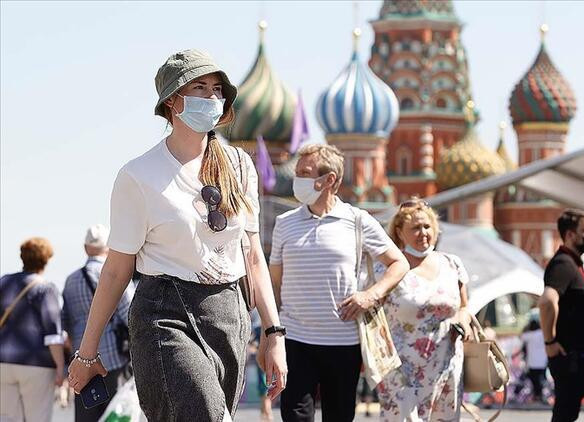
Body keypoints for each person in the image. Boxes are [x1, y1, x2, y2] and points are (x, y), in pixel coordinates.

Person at [66, 49, 287, 421]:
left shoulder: (239, 165)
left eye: (218, 89)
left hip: (229, 313)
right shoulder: (138, 176)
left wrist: (273, 332)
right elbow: (117, 271)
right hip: (164, 314)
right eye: (199, 87)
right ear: (172, 100)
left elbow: (251, 255)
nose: (212, 97)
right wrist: (87, 354)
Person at [269, 143, 409, 422]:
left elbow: (399, 263)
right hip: (296, 339)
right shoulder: (284, 223)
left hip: (343, 342)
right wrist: (270, 336)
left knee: (340, 416)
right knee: (294, 417)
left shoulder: (357, 221)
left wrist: (371, 295)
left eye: (304, 172)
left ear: (328, 180)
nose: (296, 179)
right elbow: (274, 284)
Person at [376, 199, 473, 421]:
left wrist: (463, 320)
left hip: (446, 365)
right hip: (400, 371)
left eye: (427, 227)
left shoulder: (452, 264)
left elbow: (465, 306)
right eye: (415, 228)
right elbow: (372, 316)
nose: (423, 233)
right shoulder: (387, 269)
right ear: (400, 232)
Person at [538, 209, 584, 422]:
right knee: (565, 413)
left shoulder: (572, 263)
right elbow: (548, 300)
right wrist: (550, 342)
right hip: (570, 356)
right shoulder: (563, 264)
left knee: (567, 413)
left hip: (577, 355)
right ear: (569, 234)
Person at [62, 224, 132, 422]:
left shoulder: (71, 280)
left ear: (86, 248)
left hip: (81, 362)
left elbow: (65, 321)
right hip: (114, 360)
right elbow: (129, 313)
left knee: (87, 416)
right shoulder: (115, 275)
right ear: (109, 247)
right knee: (115, 416)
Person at [0, 237, 66, 422]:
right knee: (38, 418)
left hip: (3, 362)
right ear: (46, 260)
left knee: (7, 419)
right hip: (36, 364)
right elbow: (53, 334)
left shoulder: (4, 282)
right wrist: (60, 367)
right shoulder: (45, 289)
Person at [520, 319, 548, 403]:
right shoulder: (543, 334)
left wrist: (526, 328)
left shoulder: (529, 335)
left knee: (534, 380)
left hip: (532, 363)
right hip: (543, 362)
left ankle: (537, 395)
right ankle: (541, 395)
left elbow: (521, 336)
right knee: (542, 379)